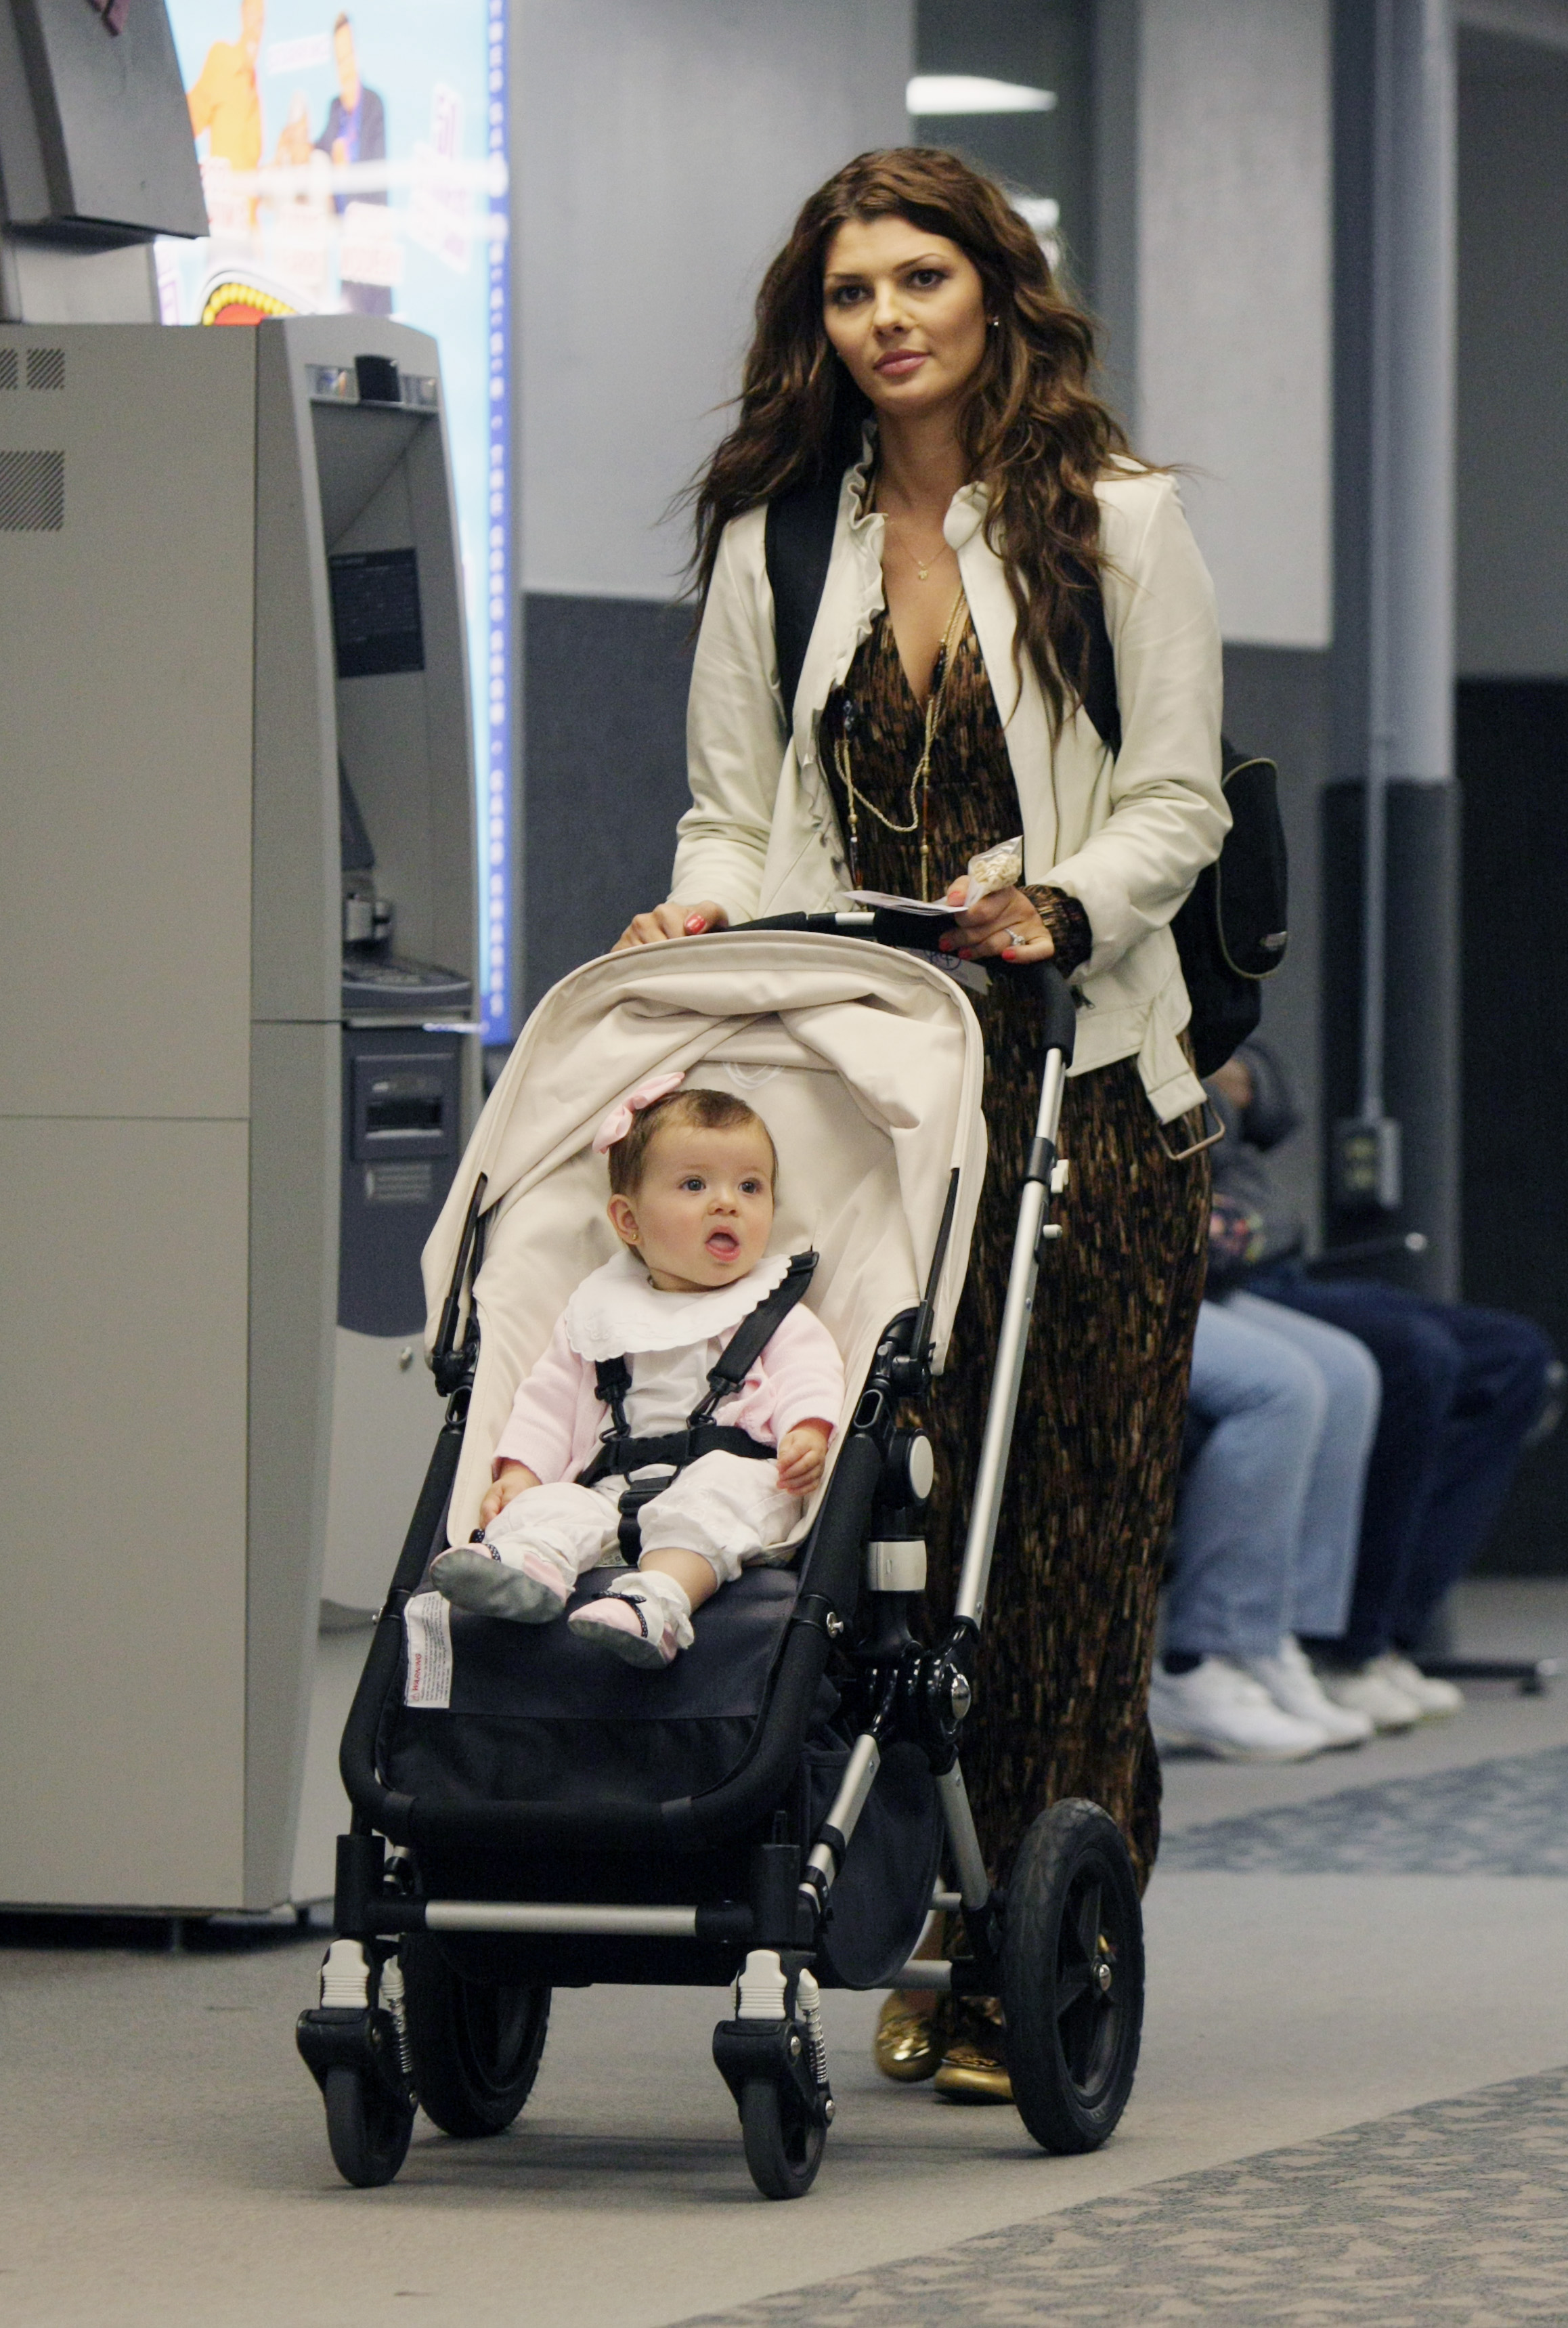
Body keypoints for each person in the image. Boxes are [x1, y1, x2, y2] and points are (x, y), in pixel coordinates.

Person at [616, 149, 1227, 2100]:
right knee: (900, 1509)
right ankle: (927, 1878)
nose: (884, 319)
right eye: (848, 291)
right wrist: (698, 913)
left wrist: (1062, 899)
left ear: (993, 292)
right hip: (869, 1089)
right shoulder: (777, 539)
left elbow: (1179, 798)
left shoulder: (1116, 523)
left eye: (918, 279)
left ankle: (1036, 1933)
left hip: (1082, 1085)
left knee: (1071, 1527)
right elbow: (729, 810)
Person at [431, 1081, 844, 1669]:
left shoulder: (770, 1309)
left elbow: (811, 1368)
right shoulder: (596, 1316)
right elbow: (549, 1403)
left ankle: (657, 1604)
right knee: (554, 1505)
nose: (727, 1203)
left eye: (750, 1187)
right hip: (615, 1485)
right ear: (629, 1221)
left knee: (713, 1500)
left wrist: (807, 1429)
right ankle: (528, 1568)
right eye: (695, 1185)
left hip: (738, 1476)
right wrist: (522, 1474)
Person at [1211, 1042, 1554, 1727]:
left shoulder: (1183, 1001)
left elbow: (1274, 1106)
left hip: (1277, 1259)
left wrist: (1231, 1071)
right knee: (1415, 1358)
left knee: (1515, 1357)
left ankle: (1385, 1634)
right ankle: (1340, 1642)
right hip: (1219, 1273)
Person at [1150, 1213, 1381, 1761]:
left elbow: (1260, 1192)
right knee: (1281, 1388)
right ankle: (1200, 1660)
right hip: (1114, 1266)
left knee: (1348, 1372)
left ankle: (1269, 1640)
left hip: (1200, 1271)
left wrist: (1238, 1218)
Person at [315, 12, 391, 317]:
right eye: (339, 59)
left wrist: (346, 170)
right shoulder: (335, 109)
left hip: (372, 236)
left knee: (377, 320)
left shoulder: (373, 105)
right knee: (349, 318)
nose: (344, 66)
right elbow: (318, 152)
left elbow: (377, 174)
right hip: (345, 240)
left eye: (348, 56)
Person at [186, 0, 265, 175]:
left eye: (261, 21)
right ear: (242, 17)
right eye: (252, 17)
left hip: (247, 187)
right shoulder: (223, 57)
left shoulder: (253, 82)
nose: (256, 29)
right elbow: (194, 114)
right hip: (223, 187)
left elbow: (253, 155)